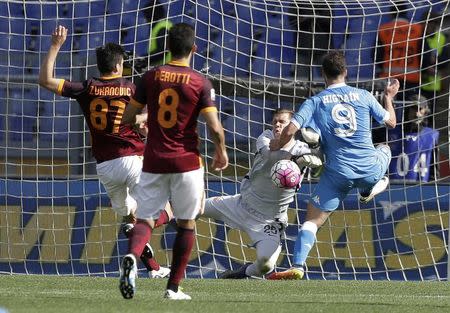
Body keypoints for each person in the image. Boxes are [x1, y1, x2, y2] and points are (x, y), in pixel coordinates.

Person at [38, 25, 171, 279]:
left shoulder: (87, 88)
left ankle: (153, 269)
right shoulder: (132, 88)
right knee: (167, 209)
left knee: (129, 216)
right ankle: (141, 227)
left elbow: (44, 80)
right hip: (133, 158)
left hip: (105, 168)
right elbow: (148, 114)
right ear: (119, 65)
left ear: (100, 66)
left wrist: (55, 45)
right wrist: (144, 118)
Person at [119, 23, 228, 300]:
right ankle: (173, 288)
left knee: (145, 218)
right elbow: (215, 127)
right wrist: (221, 151)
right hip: (187, 161)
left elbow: (127, 118)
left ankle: (132, 256)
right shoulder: (200, 82)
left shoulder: (150, 77)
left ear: (167, 47)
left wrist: (146, 122)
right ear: (194, 48)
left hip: (154, 158)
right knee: (187, 223)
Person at [267, 50, 399, 280]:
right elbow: (391, 122)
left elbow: (290, 130)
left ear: (322, 74)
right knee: (385, 148)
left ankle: (297, 265)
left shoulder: (315, 102)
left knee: (311, 222)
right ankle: (369, 187)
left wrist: (277, 145)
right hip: (369, 169)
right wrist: (388, 97)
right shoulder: (364, 95)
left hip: (338, 174)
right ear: (345, 72)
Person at [202, 109, 323, 279]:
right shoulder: (265, 137)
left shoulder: (302, 148)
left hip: (269, 221)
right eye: (275, 122)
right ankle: (153, 260)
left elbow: (321, 162)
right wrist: (297, 160)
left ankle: (241, 272)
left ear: (294, 127)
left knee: (265, 265)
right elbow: (270, 155)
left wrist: (315, 150)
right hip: (239, 205)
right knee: (190, 208)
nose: (277, 125)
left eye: (282, 122)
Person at [421, 11, 449, 122]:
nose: (428, 26)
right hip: (418, 83)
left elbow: (445, 60)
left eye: (432, 24)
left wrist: (435, 64)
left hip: (433, 85)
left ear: (436, 25)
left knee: (430, 115)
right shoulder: (419, 37)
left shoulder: (441, 38)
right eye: (427, 23)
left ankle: (429, 137)